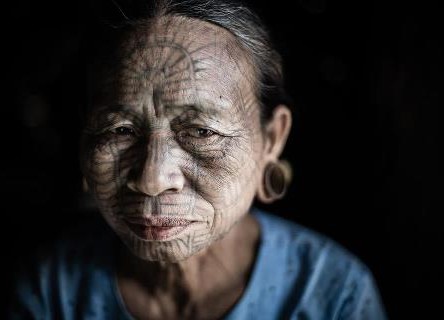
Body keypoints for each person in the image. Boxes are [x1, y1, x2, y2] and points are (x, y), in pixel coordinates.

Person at [8, 0, 388, 319]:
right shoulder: (52, 287)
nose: (153, 179)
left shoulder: (334, 295)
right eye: (120, 130)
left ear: (271, 139)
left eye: (202, 131)